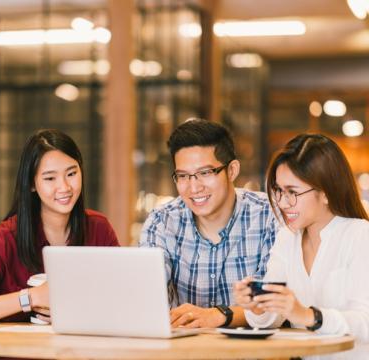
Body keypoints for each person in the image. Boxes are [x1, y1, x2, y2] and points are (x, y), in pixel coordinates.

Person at [0, 129, 119, 325]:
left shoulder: (98, 228)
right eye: (50, 178)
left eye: (71, 173)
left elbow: (123, 299)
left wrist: (77, 312)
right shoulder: (7, 238)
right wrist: (32, 297)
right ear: (31, 184)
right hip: (11, 353)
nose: (64, 187)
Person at [234, 134, 369, 359]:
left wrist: (308, 316)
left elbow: (365, 323)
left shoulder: (360, 235)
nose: (283, 203)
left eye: (293, 192)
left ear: (325, 192)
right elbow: (272, 318)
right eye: (278, 190)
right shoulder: (287, 238)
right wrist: (258, 306)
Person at [139, 118, 278, 328]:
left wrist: (218, 315)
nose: (194, 188)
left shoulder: (269, 215)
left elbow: (273, 301)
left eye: (205, 173)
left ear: (232, 170)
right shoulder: (162, 221)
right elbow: (146, 292)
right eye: (183, 176)